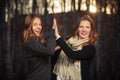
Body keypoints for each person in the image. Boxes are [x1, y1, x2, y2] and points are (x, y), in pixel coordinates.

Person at [52, 15, 98, 80]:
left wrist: (57, 36)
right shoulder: (67, 42)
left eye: (87, 27)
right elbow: (53, 60)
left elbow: (73, 54)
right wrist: (54, 51)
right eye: (81, 27)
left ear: (91, 30)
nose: (84, 30)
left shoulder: (90, 48)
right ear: (77, 28)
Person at [22, 13, 56, 80]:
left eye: (40, 24)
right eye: (35, 25)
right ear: (28, 27)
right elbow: (49, 51)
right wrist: (53, 31)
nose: (39, 27)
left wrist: (54, 49)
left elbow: (47, 52)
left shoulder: (37, 41)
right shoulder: (30, 42)